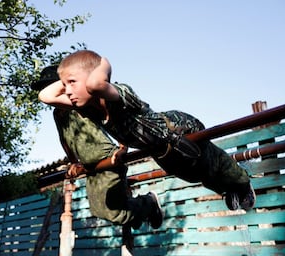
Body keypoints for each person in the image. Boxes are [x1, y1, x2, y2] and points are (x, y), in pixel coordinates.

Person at [38, 49, 256, 212]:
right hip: (159, 149)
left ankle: (242, 183)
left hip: (177, 130)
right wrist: (69, 78)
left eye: (71, 83)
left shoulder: (119, 93)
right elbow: (45, 96)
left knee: (211, 161)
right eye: (64, 85)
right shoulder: (88, 109)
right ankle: (228, 189)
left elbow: (96, 84)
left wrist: (99, 64)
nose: (67, 91)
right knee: (192, 175)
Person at [31, 65, 163, 230]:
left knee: (113, 211)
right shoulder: (57, 113)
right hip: (90, 165)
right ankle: (137, 216)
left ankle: (148, 203)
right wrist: (73, 162)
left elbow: (115, 117)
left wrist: (123, 147)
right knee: (98, 210)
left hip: (107, 157)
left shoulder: (81, 100)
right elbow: (64, 139)